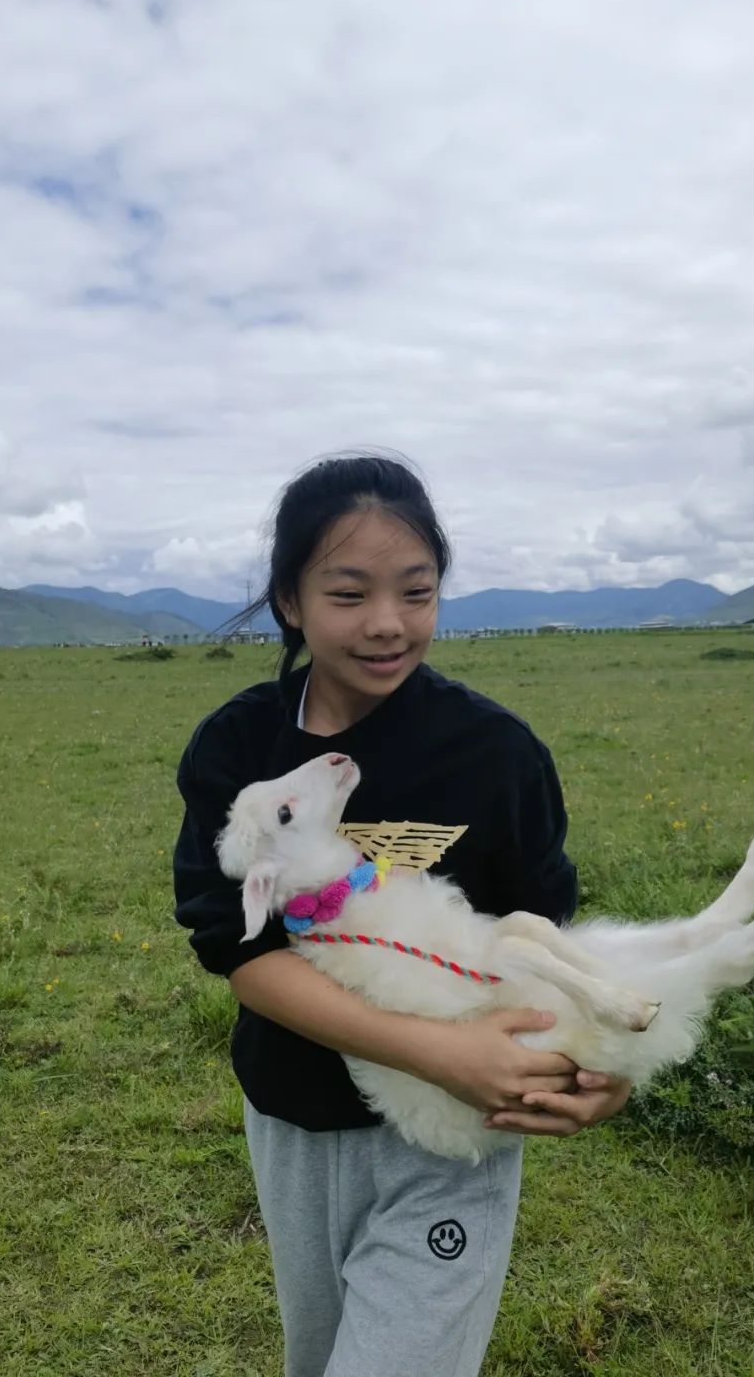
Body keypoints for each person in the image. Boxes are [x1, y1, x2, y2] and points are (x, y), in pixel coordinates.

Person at [173, 454, 631, 1377]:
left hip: (455, 1133)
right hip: (296, 1120)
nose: (387, 624)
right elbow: (234, 945)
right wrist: (426, 1045)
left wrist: (598, 1058)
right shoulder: (241, 750)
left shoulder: (494, 752)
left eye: (416, 592)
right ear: (290, 602)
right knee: (319, 1356)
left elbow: (544, 936)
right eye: (348, 594)